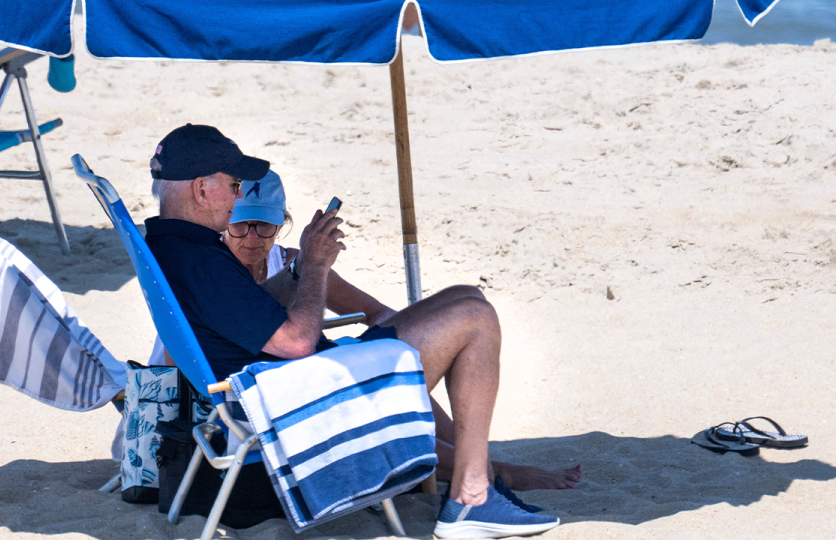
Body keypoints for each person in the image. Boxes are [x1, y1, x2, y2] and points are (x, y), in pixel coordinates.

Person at [145, 124, 563, 538]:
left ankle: (481, 478)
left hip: (287, 385)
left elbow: (251, 313)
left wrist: (295, 271)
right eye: (234, 184)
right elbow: (296, 341)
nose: (239, 196)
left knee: (465, 295)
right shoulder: (199, 260)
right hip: (299, 402)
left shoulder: (180, 248)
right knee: (476, 318)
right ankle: (472, 495)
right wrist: (314, 267)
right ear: (201, 189)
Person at [220, 169, 581, 494]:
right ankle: (493, 472)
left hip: (322, 372)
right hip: (292, 401)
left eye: (263, 225)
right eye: (240, 225)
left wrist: (420, 337)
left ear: (282, 222)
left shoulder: (292, 262)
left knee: (462, 301)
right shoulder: (216, 275)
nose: (252, 238)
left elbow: (376, 312)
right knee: (406, 360)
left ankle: (479, 463)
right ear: (223, 221)